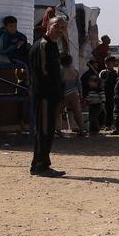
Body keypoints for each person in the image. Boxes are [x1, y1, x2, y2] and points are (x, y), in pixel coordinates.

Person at [28, 16, 68, 177]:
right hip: (44, 95)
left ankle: (42, 163)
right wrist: (53, 92)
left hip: (51, 95)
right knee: (44, 130)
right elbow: (43, 73)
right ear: (48, 26)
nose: (60, 30)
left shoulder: (52, 45)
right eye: (57, 26)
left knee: (48, 129)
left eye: (63, 27)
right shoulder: (43, 45)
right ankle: (40, 166)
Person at [59, 54, 86, 137]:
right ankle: (82, 129)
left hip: (65, 93)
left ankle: (57, 129)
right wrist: (81, 94)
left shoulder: (61, 71)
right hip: (74, 93)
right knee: (77, 112)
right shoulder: (74, 71)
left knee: (57, 111)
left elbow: (60, 83)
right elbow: (79, 84)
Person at [99, 56, 119, 132]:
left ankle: (112, 125)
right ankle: (105, 125)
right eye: (107, 63)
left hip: (114, 94)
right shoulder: (103, 72)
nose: (108, 65)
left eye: (110, 63)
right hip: (104, 94)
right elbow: (100, 82)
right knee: (106, 109)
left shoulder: (116, 73)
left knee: (113, 110)